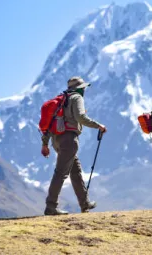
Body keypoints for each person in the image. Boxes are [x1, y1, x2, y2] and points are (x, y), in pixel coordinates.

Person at [41, 76, 107, 215]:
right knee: (60, 173)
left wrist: (45, 144)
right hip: (69, 140)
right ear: (79, 88)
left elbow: (49, 123)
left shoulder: (61, 99)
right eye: (83, 88)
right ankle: (51, 206)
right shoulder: (77, 98)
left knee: (75, 171)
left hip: (56, 140)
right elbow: (80, 117)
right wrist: (98, 126)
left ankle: (85, 204)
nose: (84, 90)